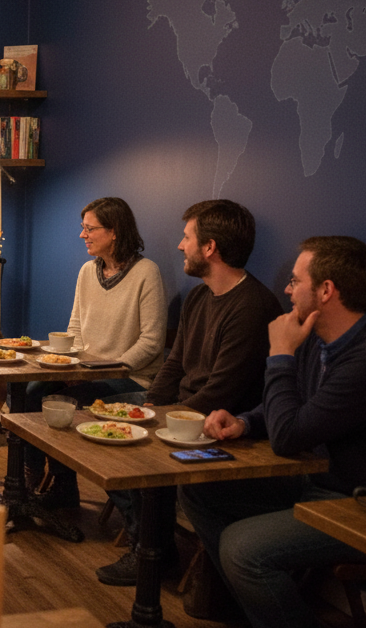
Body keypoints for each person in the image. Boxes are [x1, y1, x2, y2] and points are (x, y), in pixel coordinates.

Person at [180, 237, 366, 628]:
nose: (287, 290)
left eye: (295, 281)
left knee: (243, 548)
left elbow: (289, 435)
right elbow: (285, 410)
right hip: (315, 485)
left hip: (363, 505)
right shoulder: (317, 336)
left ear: (326, 290)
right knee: (200, 489)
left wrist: (280, 353)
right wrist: (244, 420)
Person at [98, 199, 282, 586]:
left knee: (131, 443)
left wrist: (154, 420)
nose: (181, 246)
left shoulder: (252, 306)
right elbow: (175, 364)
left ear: (210, 247)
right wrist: (148, 406)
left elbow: (223, 391)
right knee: (101, 422)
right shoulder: (199, 296)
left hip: (219, 424)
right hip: (178, 408)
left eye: (187, 237)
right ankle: (146, 541)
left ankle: (150, 552)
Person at [25, 197, 166, 508]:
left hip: (130, 378)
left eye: (90, 229)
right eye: (82, 228)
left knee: (65, 405)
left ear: (114, 231)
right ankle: (39, 479)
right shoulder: (88, 271)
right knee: (34, 391)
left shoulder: (146, 273)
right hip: (86, 371)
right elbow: (75, 328)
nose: (82, 235)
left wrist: (99, 370)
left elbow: (152, 342)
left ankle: (63, 491)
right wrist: (71, 366)